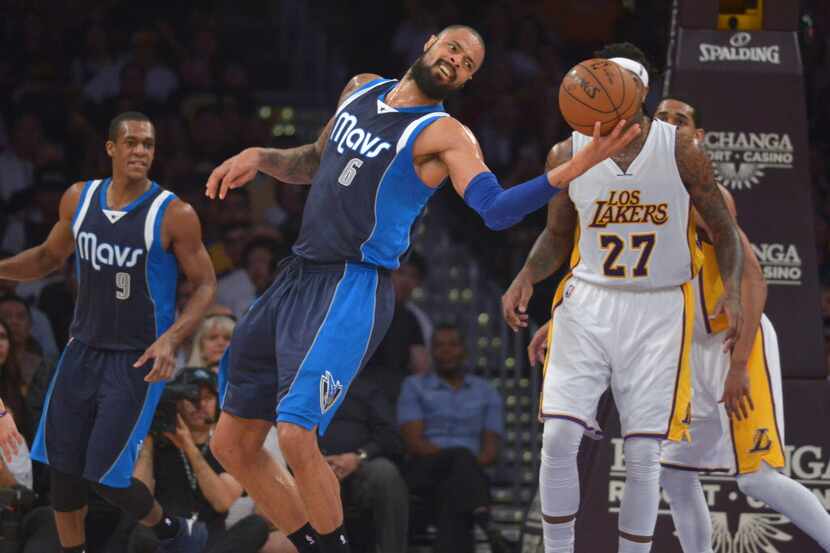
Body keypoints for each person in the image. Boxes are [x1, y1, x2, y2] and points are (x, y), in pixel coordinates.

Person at [205, 25, 639, 553]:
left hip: (351, 285)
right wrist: (261, 155)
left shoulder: (445, 135)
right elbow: (316, 161)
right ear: (430, 43)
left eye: (468, 65)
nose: (456, 63)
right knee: (231, 444)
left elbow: (496, 210)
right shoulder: (360, 88)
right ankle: (312, 545)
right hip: (296, 275)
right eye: (454, 50)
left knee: (295, 434)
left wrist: (575, 167)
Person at [501, 43, 744, 553]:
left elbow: (723, 229)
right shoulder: (567, 153)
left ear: (638, 92)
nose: (602, 98)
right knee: (558, 439)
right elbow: (556, 234)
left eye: (613, 86)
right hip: (588, 302)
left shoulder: (679, 148)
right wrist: (527, 274)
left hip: (659, 308)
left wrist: (735, 295)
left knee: (643, 455)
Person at [0, 111, 217, 553]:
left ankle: (173, 530)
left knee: (105, 475)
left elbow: (206, 285)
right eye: (132, 142)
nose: (140, 151)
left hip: (137, 358)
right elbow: (46, 258)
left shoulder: (175, 213)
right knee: (61, 472)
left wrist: (172, 339)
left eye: (149, 144)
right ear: (111, 149)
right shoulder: (78, 198)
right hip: (81, 350)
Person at [653, 98, 830, 553]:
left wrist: (738, 363)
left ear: (699, 138)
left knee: (757, 479)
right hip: (686, 353)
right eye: (662, 118)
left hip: (732, 341)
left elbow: (752, 277)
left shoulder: (706, 196)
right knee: (674, 472)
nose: (671, 126)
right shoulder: (636, 195)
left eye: (682, 120)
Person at [397, 323, 506, 553]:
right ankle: (484, 518)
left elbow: (490, 452)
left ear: (464, 350)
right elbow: (415, 444)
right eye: (439, 346)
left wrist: (461, 464)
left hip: (464, 476)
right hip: (424, 470)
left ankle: (475, 510)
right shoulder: (414, 387)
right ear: (431, 352)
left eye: (453, 345)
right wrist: (458, 458)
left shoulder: (487, 392)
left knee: (454, 491)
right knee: (461, 458)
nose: (446, 351)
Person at [131, 368, 243, 551]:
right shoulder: (158, 445)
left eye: (207, 398)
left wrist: (189, 446)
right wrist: (149, 439)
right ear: (176, 403)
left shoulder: (227, 448)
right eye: (191, 398)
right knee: (141, 532)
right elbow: (138, 498)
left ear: (218, 403)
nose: (199, 405)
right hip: (166, 533)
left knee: (255, 527)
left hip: (211, 539)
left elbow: (222, 502)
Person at [318, 372, 407, 553]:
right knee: (309, 481)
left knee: (386, 473)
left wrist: (359, 456)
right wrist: (314, 460)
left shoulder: (365, 389)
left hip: (361, 465)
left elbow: (390, 436)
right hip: (313, 465)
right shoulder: (301, 389)